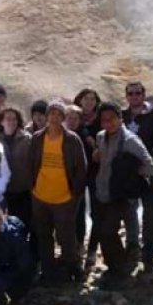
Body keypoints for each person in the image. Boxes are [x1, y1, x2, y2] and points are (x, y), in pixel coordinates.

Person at [93, 102, 153, 289]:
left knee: (107, 231)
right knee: (106, 233)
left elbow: (149, 166)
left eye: (112, 118)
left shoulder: (130, 140)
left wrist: (130, 176)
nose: (108, 123)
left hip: (121, 195)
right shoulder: (101, 137)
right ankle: (113, 268)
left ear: (120, 118)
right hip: (103, 191)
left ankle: (119, 270)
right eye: (104, 120)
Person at [30, 99, 87, 283]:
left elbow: (80, 168)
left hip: (64, 197)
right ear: (47, 116)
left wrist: (74, 194)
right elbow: (31, 163)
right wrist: (33, 186)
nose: (54, 117)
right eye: (51, 113)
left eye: (58, 114)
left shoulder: (71, 139)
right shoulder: (38, 137)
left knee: (66, 236)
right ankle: (48, 270)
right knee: (44, 235)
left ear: (63, 117)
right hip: (40, 195)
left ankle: (73, 267)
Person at [122, 81, 153, 271]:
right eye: (130, 93)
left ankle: (149, 253)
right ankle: (132, 248)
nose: (134, 96)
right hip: (128, 173)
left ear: (144, 95)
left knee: (150, 213)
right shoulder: (122, 117)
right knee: (129, 211)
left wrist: (149, 159)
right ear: (126, 96)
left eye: (138, 93)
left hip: (148, 172)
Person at [0, 107, 34, 253]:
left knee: (23, 226)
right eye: (7, 118)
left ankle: (24, 258)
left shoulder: (27, 139)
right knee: (3, 227)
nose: (11, 122)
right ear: (1, 122)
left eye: (14, 119)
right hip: (3, 193)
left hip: (24, 191)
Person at [72, 89, 104, 267]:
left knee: (96, 212)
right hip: (76, 173)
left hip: (96, 172)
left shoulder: (101, 120)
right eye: (86, 98)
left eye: (93, 99)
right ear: (80, 100)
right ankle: (78, 246)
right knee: (77, 212)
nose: (89, 102)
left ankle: (92, 249)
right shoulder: (73, 117)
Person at [63, 104, 91, 257]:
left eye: (75, 118)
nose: (72, 121)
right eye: (69, 118)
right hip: (61, 182)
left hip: (79, 183)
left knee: (79, 214)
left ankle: (79, 244)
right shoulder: (58, 135)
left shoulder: (85, 137)